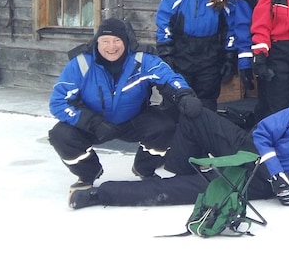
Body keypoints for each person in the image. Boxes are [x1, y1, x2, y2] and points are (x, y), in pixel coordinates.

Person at [69, 85, 289, 209]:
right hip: (249, 151)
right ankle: (183, 168)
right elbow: (262, 133)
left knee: (177, 192)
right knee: (195, 113)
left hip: (258, 183)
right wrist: (277, 170)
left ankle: (98, 194)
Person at [49, 18, 194, 191]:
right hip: (95, 125)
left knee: (165, 126)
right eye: (105, 41)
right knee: (60, 135)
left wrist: (184, 95)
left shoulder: (141, 59)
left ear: (126, 41)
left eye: (117, 40)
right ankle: (88, 174)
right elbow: (58, 102)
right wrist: (92, 123)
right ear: (97, 42)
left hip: (133, 120)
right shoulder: (80, 64)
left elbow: (169, 78)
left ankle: (144, 168)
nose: (111, 46)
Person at [155, 0, 237, 112]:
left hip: (210, 52)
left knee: (206, 100)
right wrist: (165, 51)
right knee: (177, 97)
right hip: (181, 50)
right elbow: (164, 19)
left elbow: (231, 24)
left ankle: (205, 129)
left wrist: (230, 55)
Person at [232, 0, 277, 106]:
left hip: (284, 45)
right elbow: (242, 27)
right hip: (261, 51)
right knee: (267, 98)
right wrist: (245, 63)